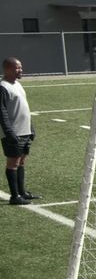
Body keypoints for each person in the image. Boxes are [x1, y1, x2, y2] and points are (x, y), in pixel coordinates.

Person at [0, 58, 38, 205]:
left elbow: (24, 108)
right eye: (17, 68)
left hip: (25, 131)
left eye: (21, 67)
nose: (21, 70)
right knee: (13, 163)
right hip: (14, 132)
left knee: (21, 161)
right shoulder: (3, 87)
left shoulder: (17, 84)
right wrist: (9, 133)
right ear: (7, 69)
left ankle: (22, 192)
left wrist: (31, 128)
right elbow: (2, 113)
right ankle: (14, 196)